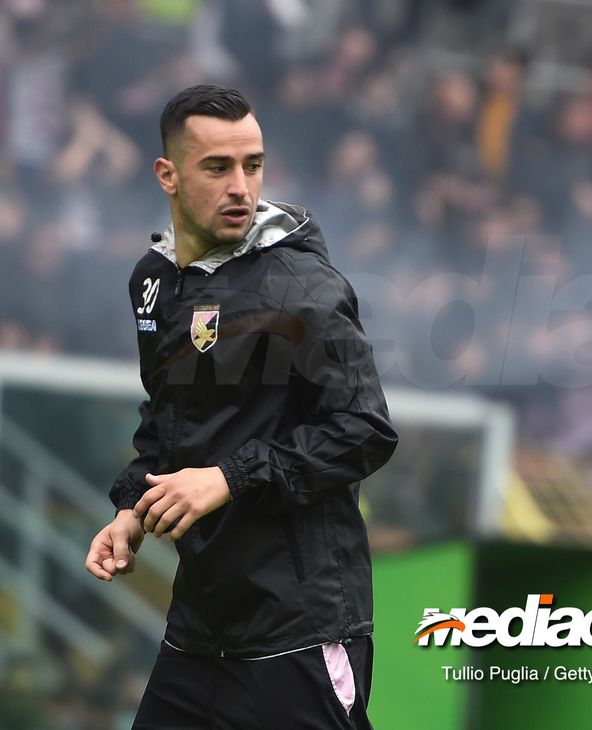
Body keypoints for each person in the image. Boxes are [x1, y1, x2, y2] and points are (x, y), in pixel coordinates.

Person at [82, 84, 398, 729]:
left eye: (252, 164)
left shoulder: (301, 287)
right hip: (200, 629)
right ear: (167, 175)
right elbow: (170, 416)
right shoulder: (155, 279)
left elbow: (364, 430)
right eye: (218, 167)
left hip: (299, 627)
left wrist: (229, 478)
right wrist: (131, 510)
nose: (240, 187)